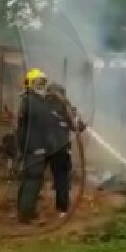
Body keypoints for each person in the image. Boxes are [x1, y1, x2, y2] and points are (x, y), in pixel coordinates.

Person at [14, 67, 61, 224]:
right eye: (37, 82)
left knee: (28, 178)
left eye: (42, 82)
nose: (41, 86)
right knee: (33, 179)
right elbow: (46, 122)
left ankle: (23, 210)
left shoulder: (29, 101)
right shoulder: (35, 103)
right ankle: (26, 214)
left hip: (32, 147)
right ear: (30, 84)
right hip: (36, 148)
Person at [45, 82, 87, 217]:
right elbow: (79, 126)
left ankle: (29, 209)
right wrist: (79, 121)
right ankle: (62, 208)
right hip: (61, 149)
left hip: (42, 148)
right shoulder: (66, 107)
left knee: (34, 176)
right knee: (61, 177)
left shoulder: (42, 104)